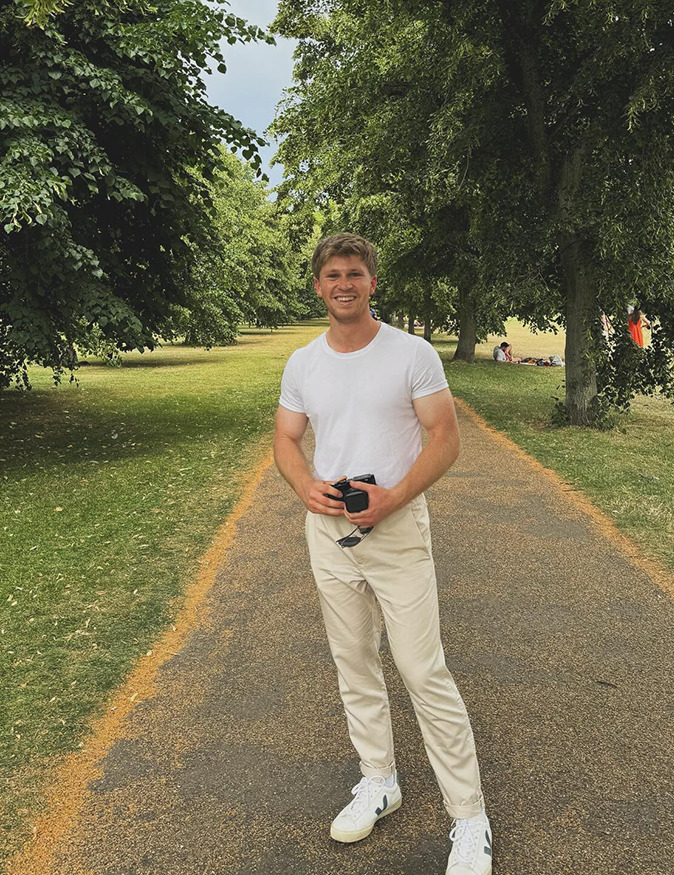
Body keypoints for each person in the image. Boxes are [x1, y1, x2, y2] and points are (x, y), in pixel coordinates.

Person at [274, 233, 491, 875]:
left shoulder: (410, 353)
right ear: (318, 285)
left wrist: (393, 497)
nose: (344, 284)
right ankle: (379, 780)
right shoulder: (303, 363)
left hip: (396, 528)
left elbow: (445, 437)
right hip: (329, 532)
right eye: (333, 275)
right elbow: (286, 438)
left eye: (355, 274)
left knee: (423, 671)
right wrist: (304, 483)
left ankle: (469, 818)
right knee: (354, 663)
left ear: (372, 282)